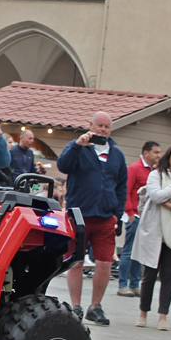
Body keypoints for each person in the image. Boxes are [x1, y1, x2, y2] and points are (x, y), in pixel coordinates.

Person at [56, 111, 127, 326]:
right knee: (76, 262)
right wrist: (77, 144)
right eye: (100, 125)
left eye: (107, 126)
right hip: (79, 215)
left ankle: (95, 306)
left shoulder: (117, 155)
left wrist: (117, 213)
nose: (103, 129)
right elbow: (63, 166)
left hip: (105, 216)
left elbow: (122, 186)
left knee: (105, 263)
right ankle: (75, 306)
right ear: (91, 125)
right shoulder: (78, 148)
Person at [130, 145, 171, 330]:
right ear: (169, 157)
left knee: (168, 276)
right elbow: (157, 196)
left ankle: (163, 316)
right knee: (149, 275)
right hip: (155, 232)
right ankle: (143, 313)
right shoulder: (155, 176)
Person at [117, 141, 161, 297]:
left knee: (140, 252)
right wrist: (129, 214)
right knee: (129, 251)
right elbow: (126, 192)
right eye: (156, 152)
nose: (158, 155)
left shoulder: (155, 171)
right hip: (134, 216)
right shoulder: (134, 169)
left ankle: (134, 284)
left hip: (147, 217)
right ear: (146, 153)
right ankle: (123, 284)